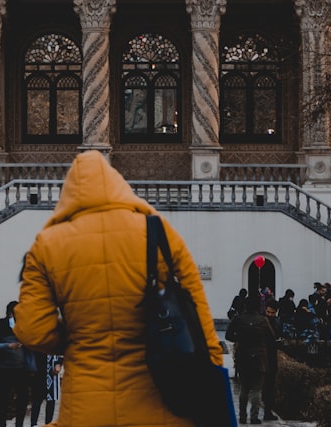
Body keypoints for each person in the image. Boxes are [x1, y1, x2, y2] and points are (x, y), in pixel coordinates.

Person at [14, 150, 224, 427]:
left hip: (87, 407)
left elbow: (31, 329)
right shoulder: (159, 232)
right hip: (164, 401)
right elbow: (202, 325)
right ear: (118, 185)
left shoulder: (47, 244)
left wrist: (81, 337)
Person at [226, 292, 272, 424]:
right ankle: (254, 417)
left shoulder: (238, 319)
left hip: (243, 356)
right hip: (259, 357)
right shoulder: (263, 320)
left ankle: (242, 416)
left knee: (244, 388)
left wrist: (239, 338)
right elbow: (271, 338)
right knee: (257, 389)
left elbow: (228, 336)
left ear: (245, 305)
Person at [0, 300, 35, 427]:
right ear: (10, 313)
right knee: (3, 398)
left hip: (21, 369)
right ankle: (2, 424)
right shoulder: (0, 326)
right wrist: (8, 345)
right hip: (4, 369)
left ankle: (19, 424)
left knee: (23, 398)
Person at [261, 298, 281, 421]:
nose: (270, 315)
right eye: (268, 312)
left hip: (271, 358)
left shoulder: (278, 323)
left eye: (272, 313)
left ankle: (268, 411)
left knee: (269, 386)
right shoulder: (261, 322)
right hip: (262, 357)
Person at [29, 353, 62, 427]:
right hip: (38, 368)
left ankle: (48, 424)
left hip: (52, 369)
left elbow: (61, 349)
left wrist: (59, 363)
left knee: (51, 399)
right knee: (37, 398)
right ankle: (33, 424)